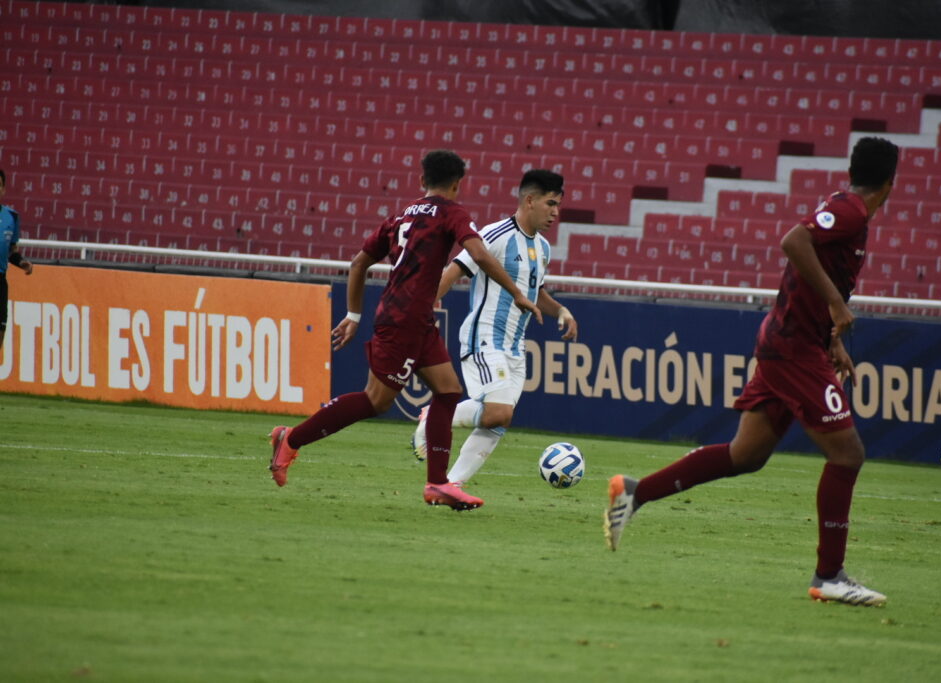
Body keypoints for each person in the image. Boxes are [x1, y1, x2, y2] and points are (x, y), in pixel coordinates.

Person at [603, 137, 900, 607]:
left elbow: (811, 272)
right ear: (890, 182)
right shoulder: (852, 212)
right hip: (793, 349)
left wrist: (833, 337)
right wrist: (837, 304)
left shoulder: (844, 210)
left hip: (794, 341)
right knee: (847, 454)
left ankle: (637, 492)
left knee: (746, 455)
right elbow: (793, 241)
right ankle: (830, 576)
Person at [267, 150, 541, 511]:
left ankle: (438, 484)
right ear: (458, 184)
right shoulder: (453, 213)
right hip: (405, 320)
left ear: (421, 180)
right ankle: (291, 438)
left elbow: (359, 262)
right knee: (375, 401)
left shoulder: (402, 215)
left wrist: (353, 313)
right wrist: (517, 292)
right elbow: (479, 252)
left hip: (411, 316)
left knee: (447, 392)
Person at [410, 170, 578, 486]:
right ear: (530, 200)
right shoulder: (495, 234)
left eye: (558, 206)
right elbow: (455, 270)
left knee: (497, 422)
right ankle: (433, 417)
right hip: (486, 337)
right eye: (550, 204)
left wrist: (561, 312)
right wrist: (427, 304)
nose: (555, 213)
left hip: (515, 349)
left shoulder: (542, 247)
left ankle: (450, 486)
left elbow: (535, 292)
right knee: (498, 412)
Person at [1, 169, 33, 348]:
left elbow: (11, 251)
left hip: (0, 282)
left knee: (1, 332)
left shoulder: (11, 217)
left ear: (4, 189)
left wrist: (22, 263)